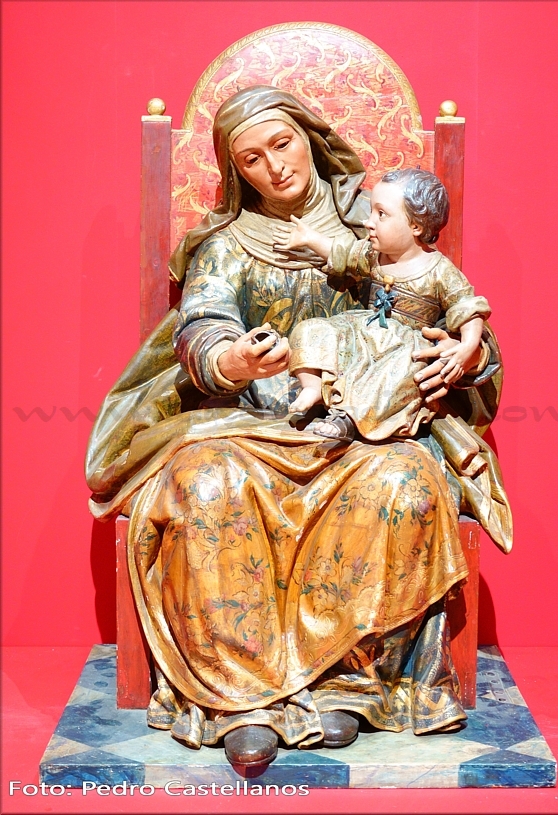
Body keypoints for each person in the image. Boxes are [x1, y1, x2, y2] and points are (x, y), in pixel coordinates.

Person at [86, 85, 512, 768]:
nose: (275, 166)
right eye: (251, 159)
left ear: (309, 138)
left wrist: (462, 355)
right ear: (236, 171)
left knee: (404, 484)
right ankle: (240, 695)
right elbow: (202, 325)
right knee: (203, 485)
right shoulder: (224, 247)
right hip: (252, 417)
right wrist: (232, 359)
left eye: (282, 144)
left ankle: (350, 683)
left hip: (367, 423)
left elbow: (444, 296)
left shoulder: (375, 226)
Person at [275, 168, 491, 442]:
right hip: (364, 332)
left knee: (399, 373)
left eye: (381, 214)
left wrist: (468, 346)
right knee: (312, 329)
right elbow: (343, 253)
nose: (369, 222)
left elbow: (468, 308)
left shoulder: (439, 271)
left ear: (416, 226)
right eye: (371, 212)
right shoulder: (374, 255)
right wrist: (310, 238)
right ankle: (313, 386)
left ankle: (351, 418)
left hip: (404, 348)